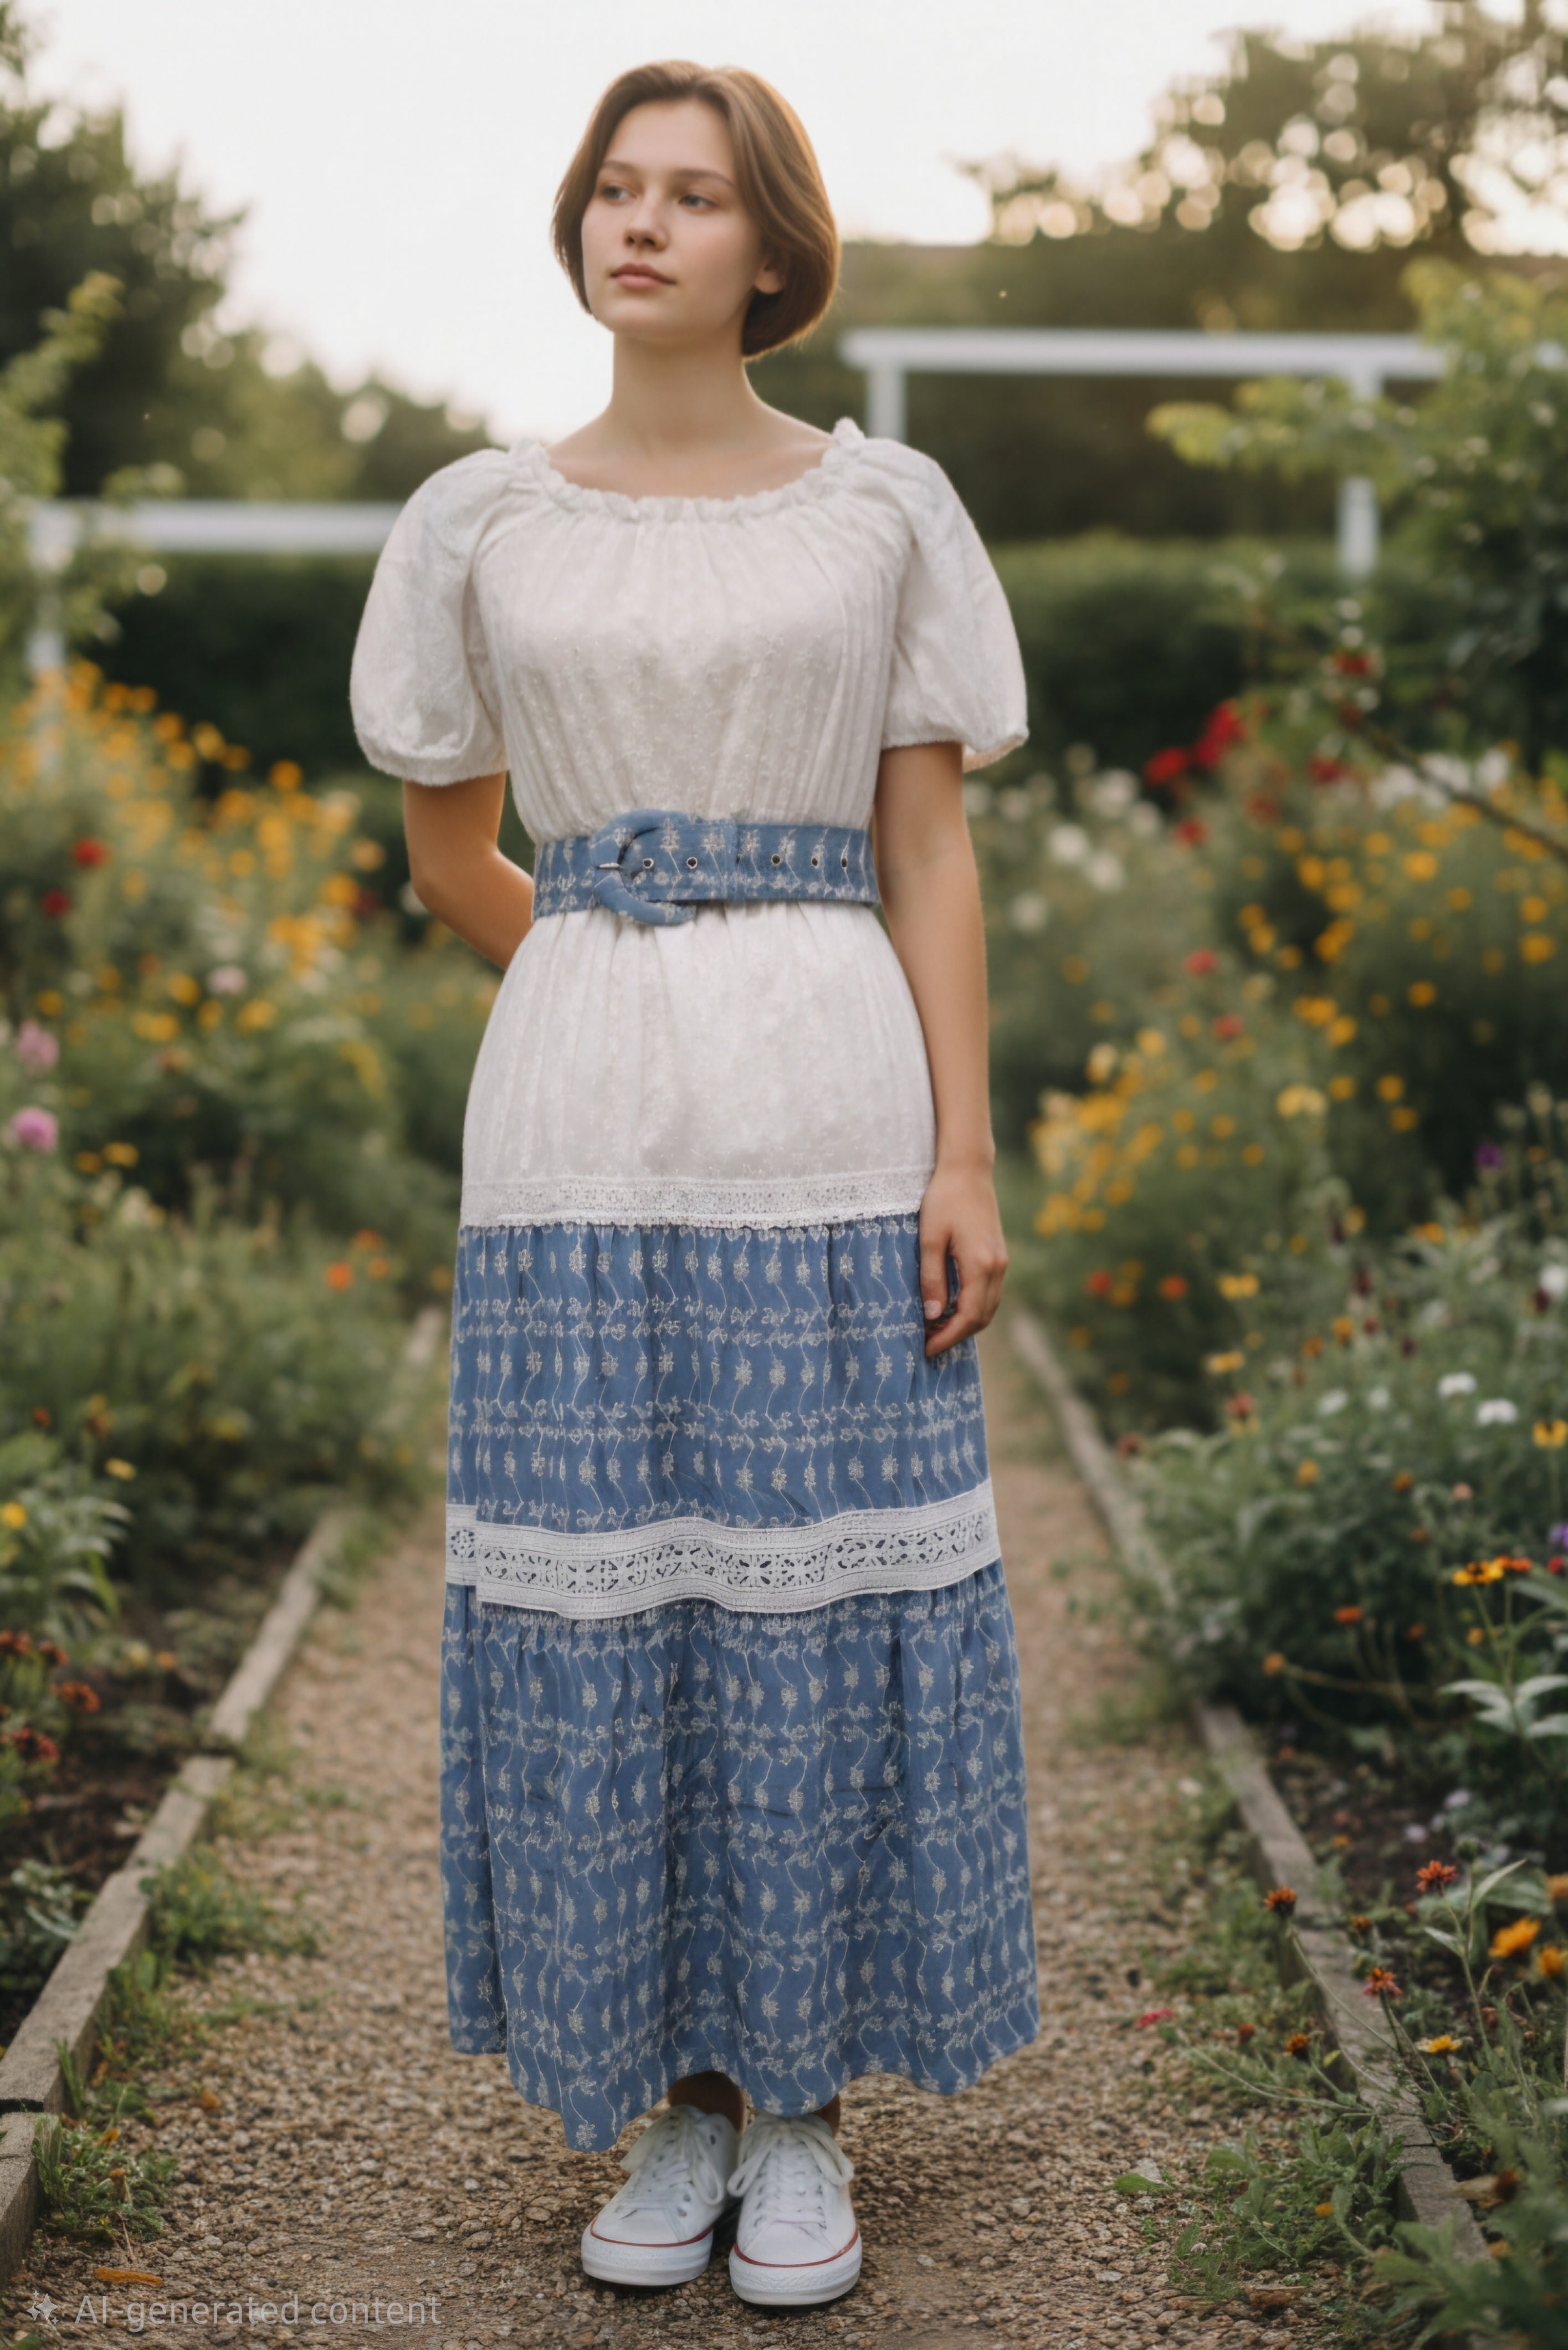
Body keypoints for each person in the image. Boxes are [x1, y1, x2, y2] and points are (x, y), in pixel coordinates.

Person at [349, 57, 1038, 2313]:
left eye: (698, 195)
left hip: (832, 1093)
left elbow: (927, 841)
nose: (645, 224)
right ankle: (668, 2088)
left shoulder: (883, 507)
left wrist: (962, 1142)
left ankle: (806, 2089)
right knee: (616, 1578)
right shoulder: (479, 519)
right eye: (618, 188)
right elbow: (456, 842)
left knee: (810, 1584)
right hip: (574, 1106)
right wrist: (606, 969)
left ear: (772, 247)